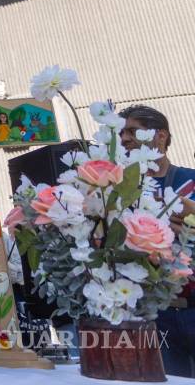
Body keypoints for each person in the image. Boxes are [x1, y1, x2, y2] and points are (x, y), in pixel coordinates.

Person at [117, 104, 195, 377]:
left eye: (132, 131)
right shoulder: (115, 193)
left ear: (161, 136)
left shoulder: (191, 181)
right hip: (151, 316)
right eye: (121, 134)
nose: (124, 139)